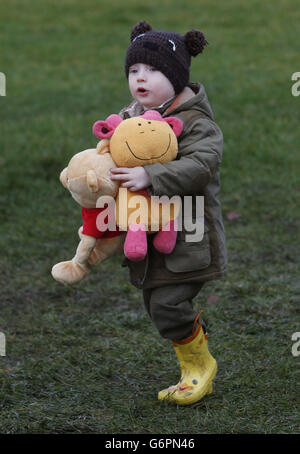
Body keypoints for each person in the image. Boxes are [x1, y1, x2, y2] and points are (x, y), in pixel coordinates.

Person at [109, 21, 227, 406]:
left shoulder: (197, 124)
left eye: (153, 70)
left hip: (189, 231)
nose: (141, 77)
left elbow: (201, 167)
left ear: (176, 77)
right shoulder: (131, 116)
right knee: (155, 302)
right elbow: (112, 152)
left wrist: (150, 174)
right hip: (146, 229)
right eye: (134, 70)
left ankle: (199, 367)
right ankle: (194, 345)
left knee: (168, 303)